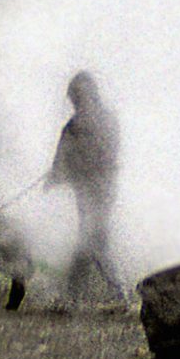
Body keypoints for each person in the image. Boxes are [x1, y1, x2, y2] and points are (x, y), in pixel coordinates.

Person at [45, 70, 122, 303]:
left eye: (78, 97)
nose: (76, 102)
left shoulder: (106, 121)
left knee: (88, 241)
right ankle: (117, 295)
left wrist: (79, 169)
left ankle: (74, 299)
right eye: (74, 98)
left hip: (101, 190)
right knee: (95, 243)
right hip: (85, 191)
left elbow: (109, 155)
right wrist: (54, 177)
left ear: (89, 94)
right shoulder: (72, 127)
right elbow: (61, 157)